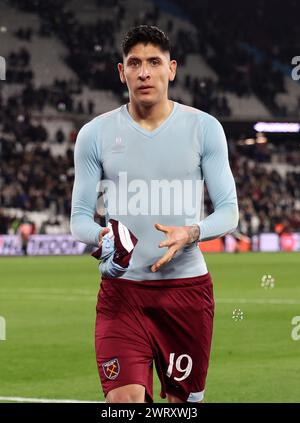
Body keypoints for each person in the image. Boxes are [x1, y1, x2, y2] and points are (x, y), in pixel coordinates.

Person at [70, 25, 239, 404]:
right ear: (122, 71)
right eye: (134, 63)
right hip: (121, 294)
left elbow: (229, 213)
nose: (144, 72)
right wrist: (103, 237)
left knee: (181, 406)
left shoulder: (204, 128)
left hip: (186, 293)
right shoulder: (94, 134)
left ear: (172, 69)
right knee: (123, 403)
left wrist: (191, 232)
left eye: (154, 62)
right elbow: (79, 217)